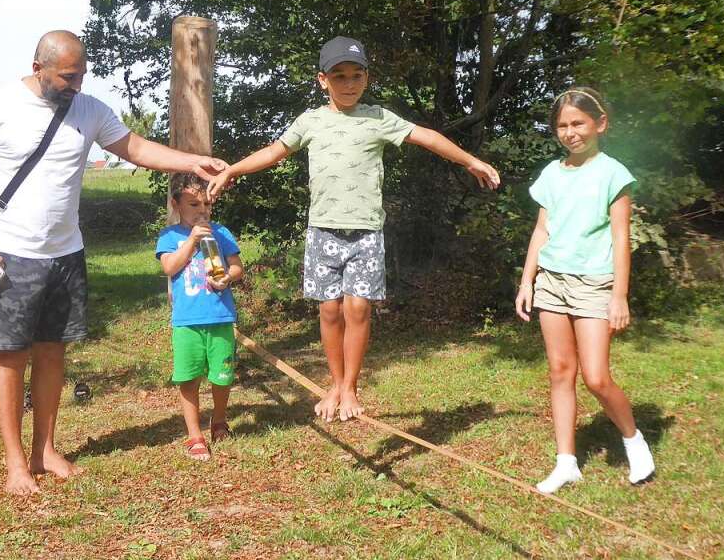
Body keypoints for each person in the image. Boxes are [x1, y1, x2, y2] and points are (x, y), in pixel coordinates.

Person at [0, 30, 227, 495]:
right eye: (67, 76)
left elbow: (135, 148)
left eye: (81, 75)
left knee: (52, 352)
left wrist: (195, 160)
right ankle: (15, 462)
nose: (76, 84)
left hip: (66, 253)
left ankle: (45, 448)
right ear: (37, 66)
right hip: (11, 252)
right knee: (11, 356)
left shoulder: (89, 109)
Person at [207, 36, 500, 422]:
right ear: (322, 80)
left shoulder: (379, 119)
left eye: (356, 75)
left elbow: (426, 136)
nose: (348, 83)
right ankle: (335, 382)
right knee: (329, 312)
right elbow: (274, 152)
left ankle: (350, 388)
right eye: (339, 75)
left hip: (365, 232)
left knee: (357, 309)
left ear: (367, 78)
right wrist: (232, 169)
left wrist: (469, 161)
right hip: (323, 232)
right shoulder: (310, 121)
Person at [515, 87, 655, 493]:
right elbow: (541, 230)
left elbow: (620, 238)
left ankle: (633, 439)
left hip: (595, 284)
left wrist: (619, 295)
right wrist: (527, 281)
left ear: (600, 124)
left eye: (578, 123)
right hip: (552, 282)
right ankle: (566, 462)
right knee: (560, 372)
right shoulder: (551, 174)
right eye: (562, 125)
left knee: (595, 377)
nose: (570, 132)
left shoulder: (614, 174)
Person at [156, 173, 243, 460]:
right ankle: (194, 435)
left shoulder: (222, 233)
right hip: (187, 321)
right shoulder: (170, 237)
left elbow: (236, 267)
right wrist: (192, 240)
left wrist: (227, 278)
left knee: (222, 375)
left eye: (206, 204)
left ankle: (219, 420)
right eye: (193, 204)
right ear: (176, 204)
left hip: (219, 316)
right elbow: (170, 268)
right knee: (188, 377)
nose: (201, 211)